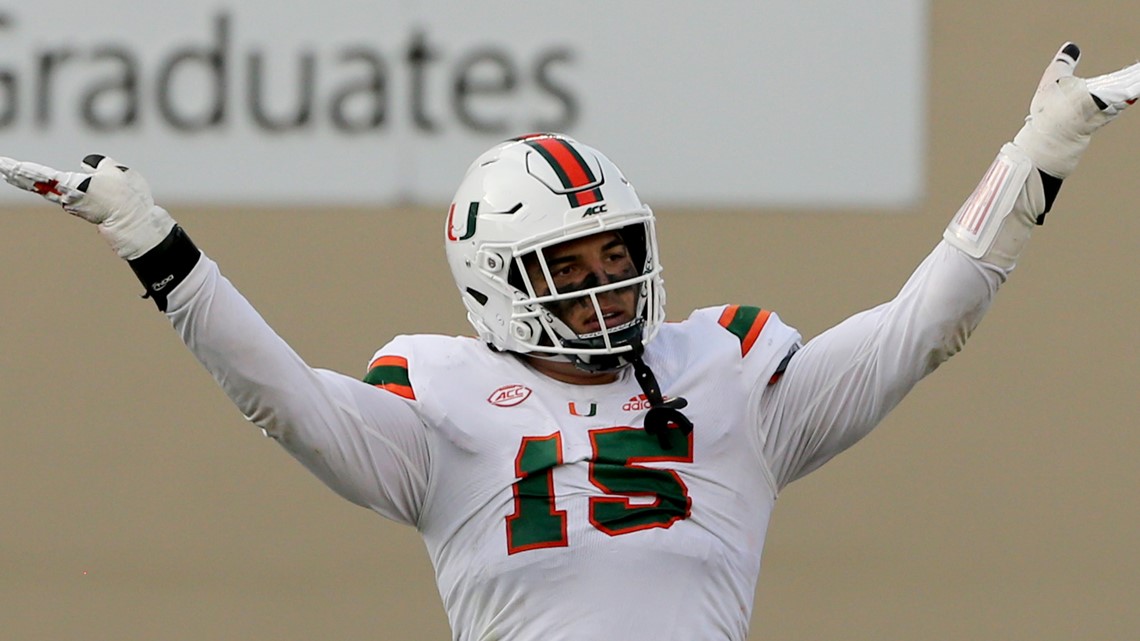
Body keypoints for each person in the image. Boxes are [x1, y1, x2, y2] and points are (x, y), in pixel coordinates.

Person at [1, 42, 1137, 641]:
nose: (608, 282)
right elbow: (282, 398)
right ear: (495, 283)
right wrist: (153, 241)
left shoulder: (732, 378)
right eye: (571, 266)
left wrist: (1039, 154)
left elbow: (924, 325)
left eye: (614, 252)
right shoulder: (439, 402)